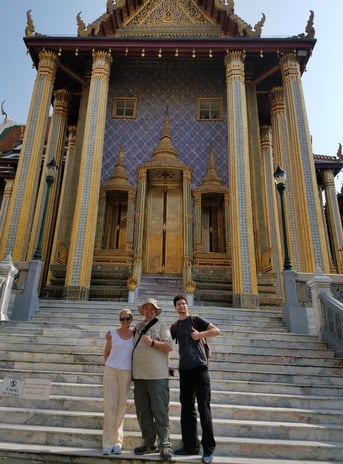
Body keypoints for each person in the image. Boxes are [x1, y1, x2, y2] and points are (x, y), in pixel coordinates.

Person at [170, 294, 220, 464]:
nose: (181, 306)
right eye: (178, 304)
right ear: (175, 308)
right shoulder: (175, 326)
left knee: (204, 408)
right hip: (184, 370)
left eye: (183, 303)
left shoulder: (196, 320)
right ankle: (190, 445)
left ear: (187, 305)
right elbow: (168, 345)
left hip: (200, 369)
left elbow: (216, 330)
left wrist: (200, 334)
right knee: (187, 409)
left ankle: (208, 449)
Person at [132, 297, 173, 461]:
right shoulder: (138, 326)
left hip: (157, 376)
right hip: (139, 376)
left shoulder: (162, 325)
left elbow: (169, 346)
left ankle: (165, 445)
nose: (149, 311)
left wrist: (151, 343)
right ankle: (150, 443)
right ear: (142, 311)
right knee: (143, 411)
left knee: (160, 411)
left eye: (152, 309)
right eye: (146, 308)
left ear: (156, 311)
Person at [102, 308, 134, 455]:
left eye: (127, 318)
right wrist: (112, 365)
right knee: (110, 406)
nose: (125, 321)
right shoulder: (112, 334)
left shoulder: (135, 335)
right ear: (119, 320)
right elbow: (106, 353)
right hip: (111, 371)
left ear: (131, 319)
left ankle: (117, 442)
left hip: (126, 372)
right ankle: (107, 442)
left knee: (121, 407)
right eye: (122, 319)